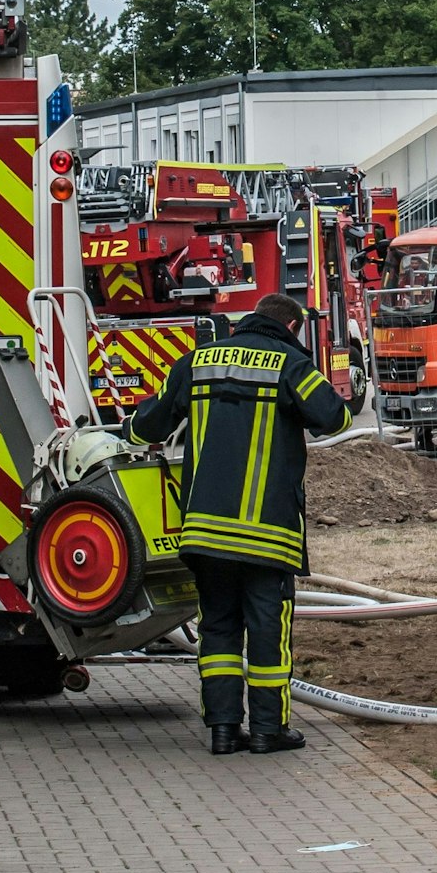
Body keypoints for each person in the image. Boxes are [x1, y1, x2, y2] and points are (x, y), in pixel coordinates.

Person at [128, 293, 352, 756]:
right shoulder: (289, 364)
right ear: (291, 326)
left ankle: (224, 731)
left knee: (219, 631)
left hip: (205, 533)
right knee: (268, 634)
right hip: (267, 535)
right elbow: (335, 418)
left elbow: (145, 428)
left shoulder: (198, 362)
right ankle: (269, 731)